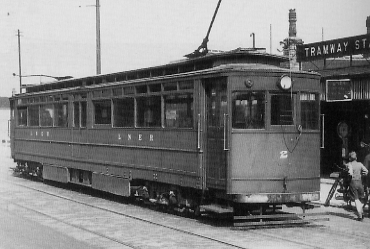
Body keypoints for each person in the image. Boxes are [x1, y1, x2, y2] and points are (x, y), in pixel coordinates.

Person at [347, 151, 368, 221]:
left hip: (353, 182)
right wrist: (362, 175)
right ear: (356, 157)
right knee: (361, 198)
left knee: (356, 199)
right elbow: (366, 171)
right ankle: (361, 210)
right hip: (360, 182)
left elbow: (350, 173)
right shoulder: (360, 164)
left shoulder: (349, 164)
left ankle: (360, 215)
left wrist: (350, 175)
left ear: (350, 158)